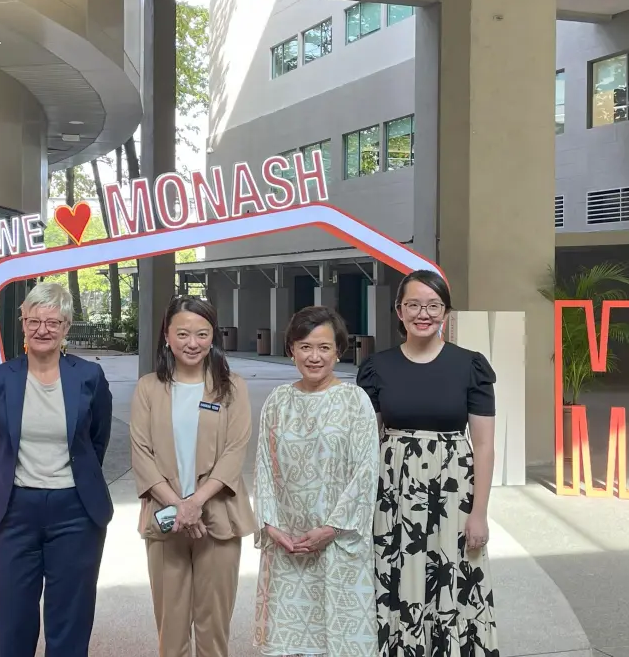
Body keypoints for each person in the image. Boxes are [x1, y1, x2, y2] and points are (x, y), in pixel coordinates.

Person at [357, 269, 500, 656]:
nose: (424, 313)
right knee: (397, 577)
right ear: (399, 311)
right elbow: (368, 441)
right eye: (414, 305)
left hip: (452, 497)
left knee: (450, 579)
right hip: (394, 497)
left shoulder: (470, 366)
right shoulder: (376, 368)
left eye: (434, 305)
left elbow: (483, 445)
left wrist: (480, 513)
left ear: (446, 313)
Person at [0, 282, 113, 657]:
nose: (42, 330)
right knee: (10, 616)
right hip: (13, 512)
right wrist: (5, 488)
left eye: (53, 322)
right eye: (34, 321)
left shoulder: (88, 378)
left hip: (76, 513)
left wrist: (73, 483)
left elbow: (96, 441)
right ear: (23, 324)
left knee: (70, 617)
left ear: (66, 327)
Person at [129, 295, 257, 657]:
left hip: (219, 518)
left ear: (212, 336)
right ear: (166, 336)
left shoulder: (232, 386)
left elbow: (235, 452)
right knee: (170, 628)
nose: (192, 343)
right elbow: (141, 454)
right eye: (182, 333)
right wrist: (178, 506)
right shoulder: (149, 388)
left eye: (202, 334)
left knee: (214, 627)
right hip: (165, 520)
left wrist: (196, 503)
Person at [252, 305, 379, 657]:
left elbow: (366, 472)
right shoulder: (278, 401)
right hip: (288, 543)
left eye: (324, 347)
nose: (314, 356)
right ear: (291, 349)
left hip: (339, 542)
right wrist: (271, 525)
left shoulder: (355, 401)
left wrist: (332, 528)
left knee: (339, 641)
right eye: (305, 346)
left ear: (339, 351)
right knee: (289, 642)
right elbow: (263, 465)